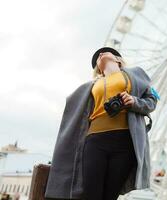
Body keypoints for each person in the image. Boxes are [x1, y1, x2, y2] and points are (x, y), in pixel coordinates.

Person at [44, 46, 159, 200]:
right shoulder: (91, 86)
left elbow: (152, 102)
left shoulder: (138, 75)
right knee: (91, 192)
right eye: (97, 57)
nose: (101, 54)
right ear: (98, 69)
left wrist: (134, 101)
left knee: (110, 195)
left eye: (106, 52)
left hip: (126, 142)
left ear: (118, 60)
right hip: (94, 141)